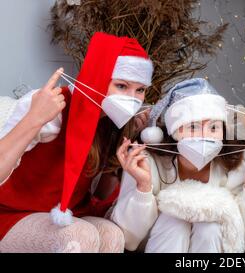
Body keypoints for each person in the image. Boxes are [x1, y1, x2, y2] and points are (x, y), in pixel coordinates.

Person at [0, 32, 154, 253]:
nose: (132, 97)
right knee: (80, 235)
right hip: (12, 212)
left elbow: (99, 196)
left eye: (140, 90)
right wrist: (34, 118)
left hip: (67, 213)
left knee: (112, 235)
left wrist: (120, 162)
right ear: (98, 76)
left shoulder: (112, 122)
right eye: (121, 86)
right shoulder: (53, 105)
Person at [110, 78, 245, 253]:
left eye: (214, 128)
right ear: (175, 130)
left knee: (210, 227)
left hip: (212, 242)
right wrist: (143, 187)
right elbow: (128, 238)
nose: (204, 136)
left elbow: (244, 239)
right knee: (174, 222)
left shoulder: (238, 160)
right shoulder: (147, 160)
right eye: (193, 127)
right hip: (159, 240)